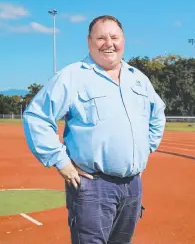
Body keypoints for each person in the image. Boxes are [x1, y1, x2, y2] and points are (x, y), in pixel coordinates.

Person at [22, 15, 166, 244]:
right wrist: (61, 162)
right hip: (93, 187)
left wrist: (144, 148)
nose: (108, 43)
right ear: (89, 42)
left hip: (132, 186)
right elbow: (37, 116)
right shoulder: (73, 76)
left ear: (123, 40)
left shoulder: (138, 79)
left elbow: (157, 113)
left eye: (114, 37)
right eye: (101, 38)